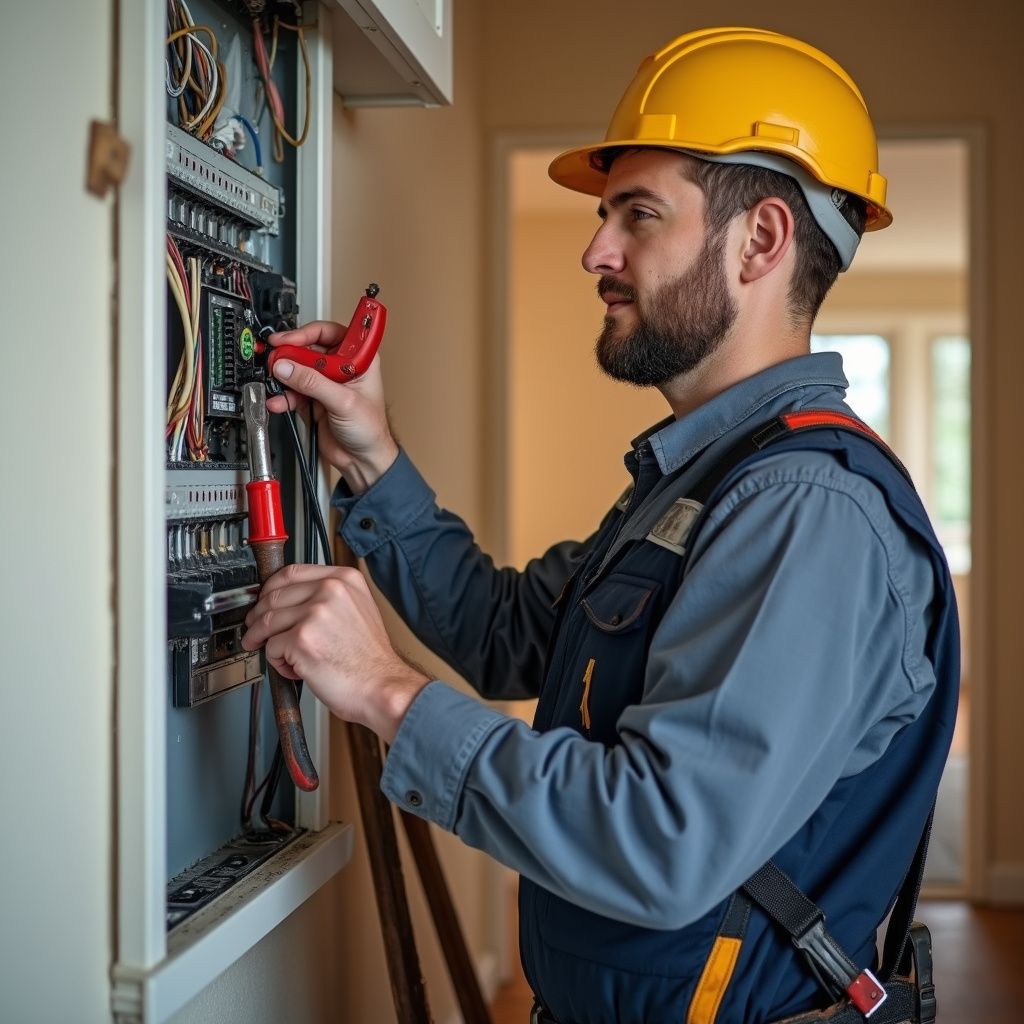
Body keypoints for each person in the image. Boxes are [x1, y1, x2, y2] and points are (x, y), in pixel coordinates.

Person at [242, 27, 958, 1024]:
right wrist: (368, 449)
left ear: (759, 240)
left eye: (637, 215)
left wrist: (386, 694)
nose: (595, 249)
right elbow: (504, 633)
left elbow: (660, 840)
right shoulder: (706, 483)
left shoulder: (806, 512)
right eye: (604, 214)